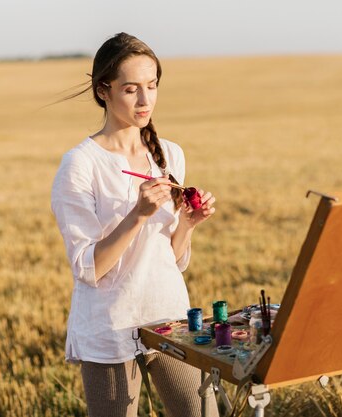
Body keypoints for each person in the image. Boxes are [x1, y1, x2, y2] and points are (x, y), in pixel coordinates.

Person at [51, 32, 218, 417]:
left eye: (152, 86)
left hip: (169, 317)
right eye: (131, 89)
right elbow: (89, 269)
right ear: (103, 91)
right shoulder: (80, 165)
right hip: (110, 329)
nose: (145, 100)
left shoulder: (170, 154)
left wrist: (188, 224)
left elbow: (169, 260)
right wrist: (137, 215)